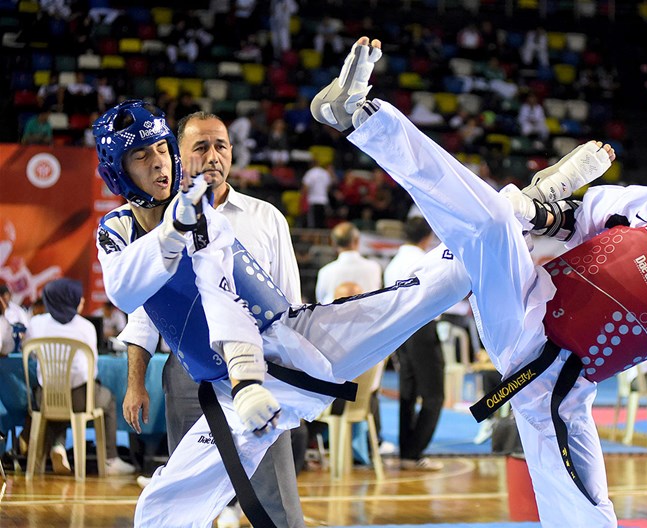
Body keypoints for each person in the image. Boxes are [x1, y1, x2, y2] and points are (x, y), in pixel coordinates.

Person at [311, 37, 647, 528]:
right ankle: (361, 117)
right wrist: (540, 208)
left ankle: (536, 191)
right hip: (524, 302)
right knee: (495, 224)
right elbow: (578, 219)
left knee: (593, 519)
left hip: (554, 389)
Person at [92, 100, 468, 527]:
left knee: (420, 296)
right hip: (223, 394)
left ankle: (516, 217)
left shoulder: (209, 217)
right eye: (142, 156)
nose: (158, 163)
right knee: (160, 512)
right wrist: (170, 232)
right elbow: (124, 292)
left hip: (289, 342)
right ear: (119, 171)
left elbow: (222, 298)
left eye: (161, 150)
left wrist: (247, 376)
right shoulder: (118, 230)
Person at [120, 110, 304, 528]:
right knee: (189, 492)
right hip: (188, 372)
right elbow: (145, 313)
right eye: (200, 146)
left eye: (221, 145)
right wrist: (135, 381)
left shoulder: (266, 217)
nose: (213, 156)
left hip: (261, 369)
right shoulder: (158, 222)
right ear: (178, 158)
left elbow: (290, 302)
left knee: (275, 491)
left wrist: (296, 376)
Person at [25, 279, 135, 476]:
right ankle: (110, 459)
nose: (82, 299)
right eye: (78, 296)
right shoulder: (85, 327)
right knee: (108, 399)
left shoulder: (35, 323)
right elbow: (92, 369)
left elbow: (31, 355)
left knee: (56, 397)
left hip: (45, 399)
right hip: (80, 399)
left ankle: (57, 446)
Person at [384, 216, 445, 470]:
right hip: (420, 327)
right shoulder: (423, 260)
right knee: (434, 395)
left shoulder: (393, 263)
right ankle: (414, 451)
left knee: (408, 393)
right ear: (427, 236)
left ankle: (407, 451)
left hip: (399, 329)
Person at [315, 222, 382, 304]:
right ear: (357, 241)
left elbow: (321, 302)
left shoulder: (325, 272)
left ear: (334, 244)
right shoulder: (374, 268)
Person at [301, 158, 333, 228]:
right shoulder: (325, 173)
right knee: (321, 223)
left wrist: (302, 198)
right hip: (324, 201)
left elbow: (305, 187)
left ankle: (314, 238)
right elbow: (328, 188)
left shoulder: (310, 173)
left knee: (313, 225)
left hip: (313, 201)